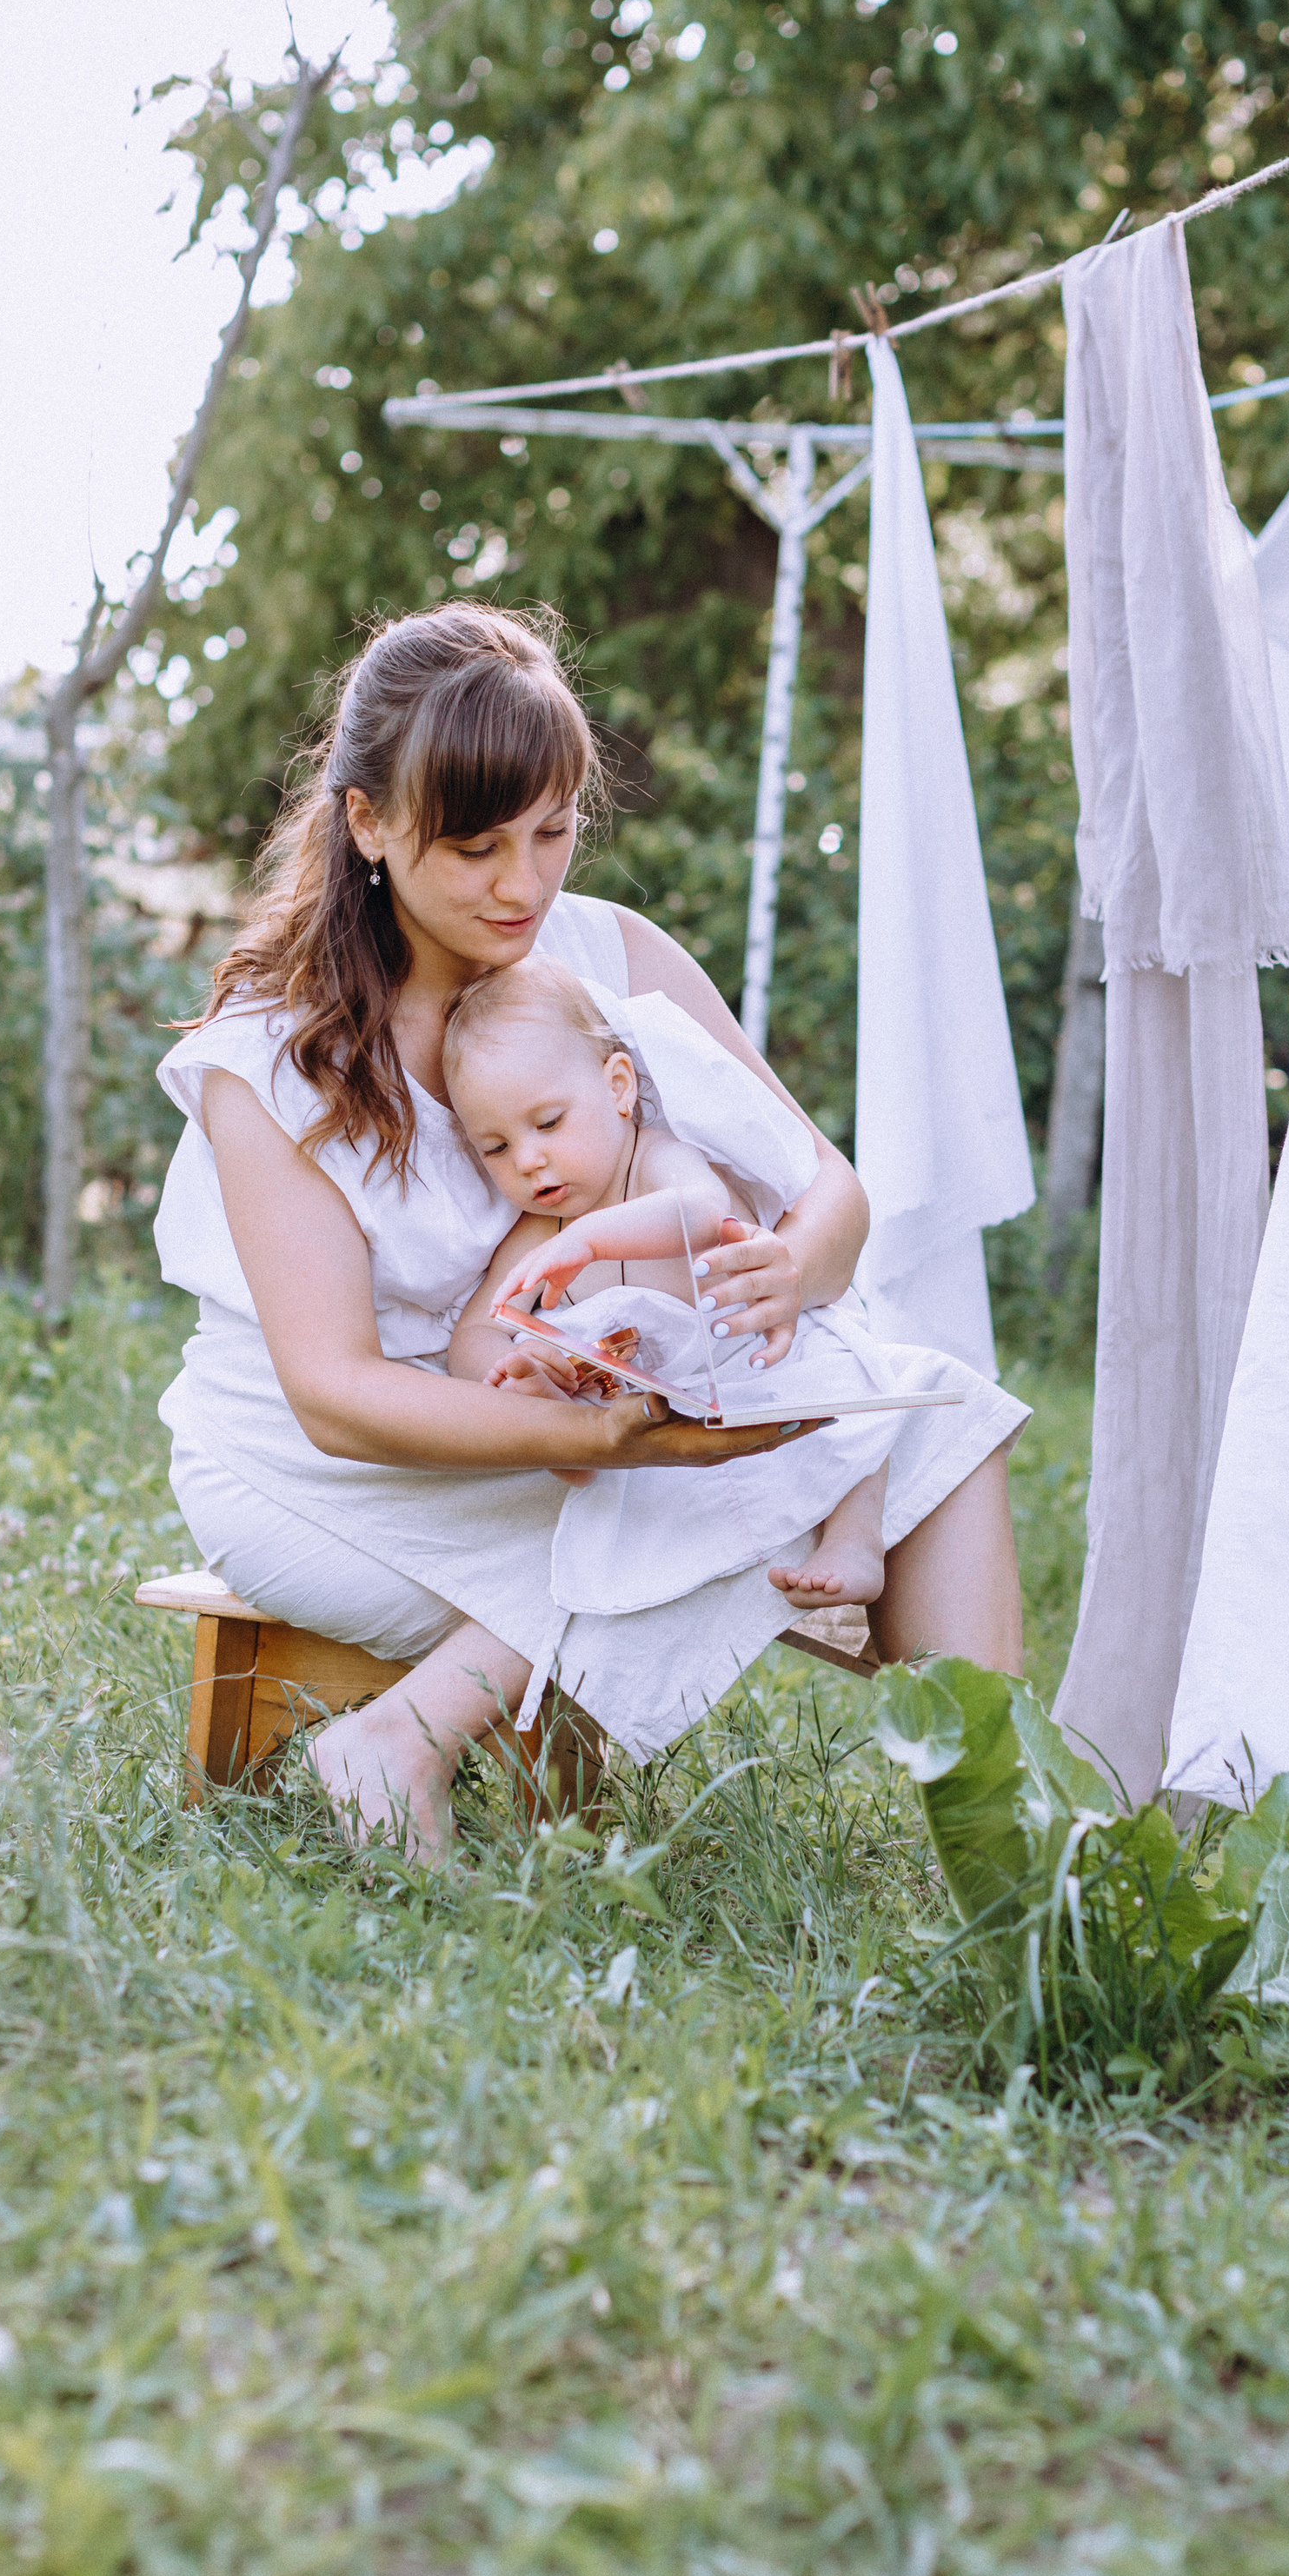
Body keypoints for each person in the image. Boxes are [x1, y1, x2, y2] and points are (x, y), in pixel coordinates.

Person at [152, 600, 1024, 1862]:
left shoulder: (612, 957)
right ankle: (404, 1741)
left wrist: (794, 1266)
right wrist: (614, 1440)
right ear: (371, 826)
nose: (524, 884)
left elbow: (827, 1189)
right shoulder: (274, 1057)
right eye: (477, 848)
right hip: (336, 1470)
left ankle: (1012, 1866)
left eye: (552, 832)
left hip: (582, 1424)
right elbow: (336, 1396)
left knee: (940, 1423)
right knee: (724, 1494)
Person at [437, 956, 1024, 1622]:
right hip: (666, 1404)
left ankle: (854, 1538)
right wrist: (514, 1371)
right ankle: (575, 1459)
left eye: (547, 1124)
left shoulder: (655, 1160)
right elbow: (478, 1329)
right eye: (494, 1148)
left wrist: (590, 1240)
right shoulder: (539, 1226)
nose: (528, 1160)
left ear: (619, 1087)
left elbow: (701, 1211)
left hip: (754, 1354)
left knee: (849, 1382)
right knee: (579, 1431)